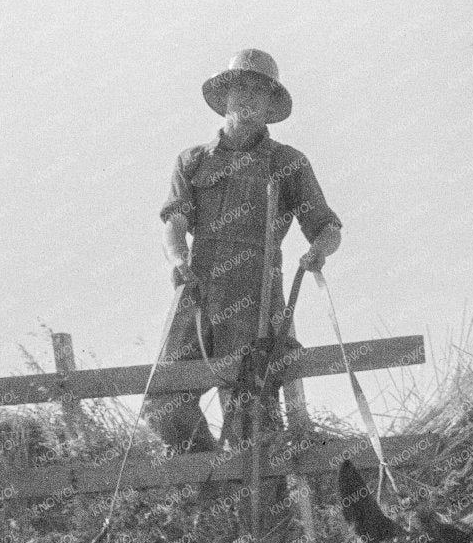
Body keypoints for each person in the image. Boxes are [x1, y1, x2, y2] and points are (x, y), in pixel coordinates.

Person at [145, 49, 342, 454]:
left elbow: (327, 227)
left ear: (271, 105)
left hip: (256, 298)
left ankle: (256, 504)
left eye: (260, 92)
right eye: (241, 88)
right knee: (164, 402)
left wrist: (318, 252)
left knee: (252, 421)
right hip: (197, 294)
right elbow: (174, 224)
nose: (249, 98)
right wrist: (178, 259)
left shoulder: (288, 164)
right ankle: (212, 479)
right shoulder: (193, 161)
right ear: (226, 96)